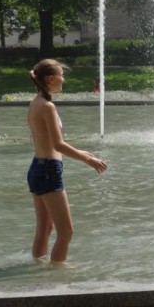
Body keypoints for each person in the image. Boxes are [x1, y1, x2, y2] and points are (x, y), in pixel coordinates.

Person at [27, 59, 107, 264]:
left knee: (44, 230)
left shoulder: (35, 103)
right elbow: (58, 145)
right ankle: (57, 278)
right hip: (48, 171)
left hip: (37, 168)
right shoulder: (47, 106)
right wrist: (87, 159)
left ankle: (36, 272)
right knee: (67, 232)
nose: (64, 79)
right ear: (51, 78)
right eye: (62, 75)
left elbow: (45, 141)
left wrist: (80, 150)